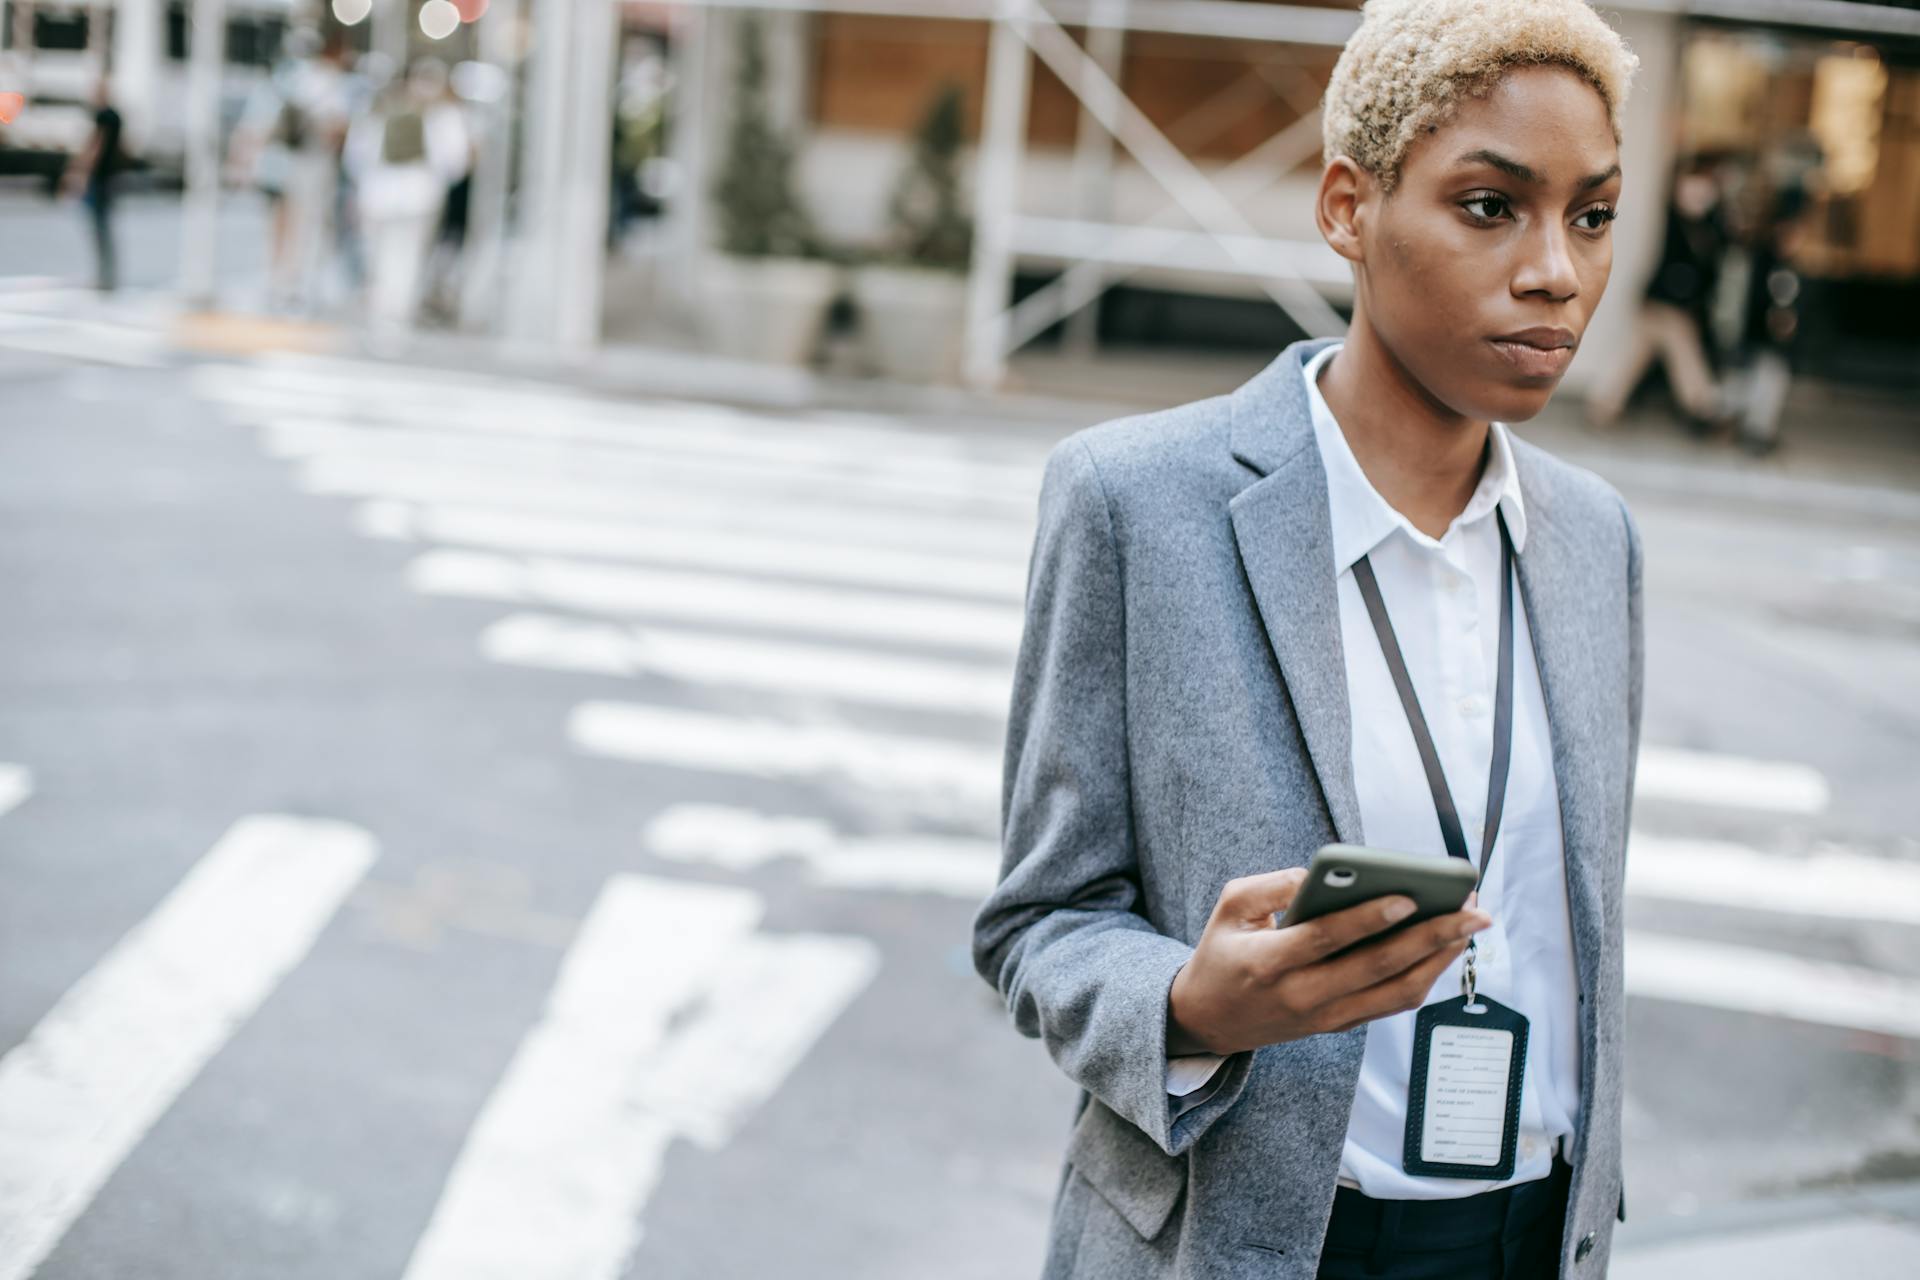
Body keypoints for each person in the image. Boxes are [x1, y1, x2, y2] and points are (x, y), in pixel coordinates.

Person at [970, 2, 1644, 1277]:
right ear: (1348, 207)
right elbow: (1037, 923)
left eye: (1593, 214)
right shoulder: (1136, 501)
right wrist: (1187, 1007)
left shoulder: (1596, 539)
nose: (1556, 269)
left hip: (1531, 1233)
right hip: (1253, 1235)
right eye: (1491, 206)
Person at [1584, 155, 1728, 433]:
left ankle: (1603, 405)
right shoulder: (1671, 221)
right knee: (1681, 346)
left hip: (1670, 305)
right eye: (1693, 189)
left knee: (1638, 352)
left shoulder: (1707, 229)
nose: (1700, 196)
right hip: (1663, 303)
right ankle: (1703, 404)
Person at [344, 59, 470, 336]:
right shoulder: (444, 115)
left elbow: (355, 155)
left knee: (379, 253)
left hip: (377, 193)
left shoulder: (379, 108)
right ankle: (397, 311)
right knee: (409, 255)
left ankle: (382, 307)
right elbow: (456, 162)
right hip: (421, 194)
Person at [60, 78, 125, 292]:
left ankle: (103, 279)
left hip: (98, 178)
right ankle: (107, 276)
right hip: (110, 177)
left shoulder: (103, 117)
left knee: (98, 228)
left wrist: (80, 171)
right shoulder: (116, 116)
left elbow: (95, 146)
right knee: (104, 227)